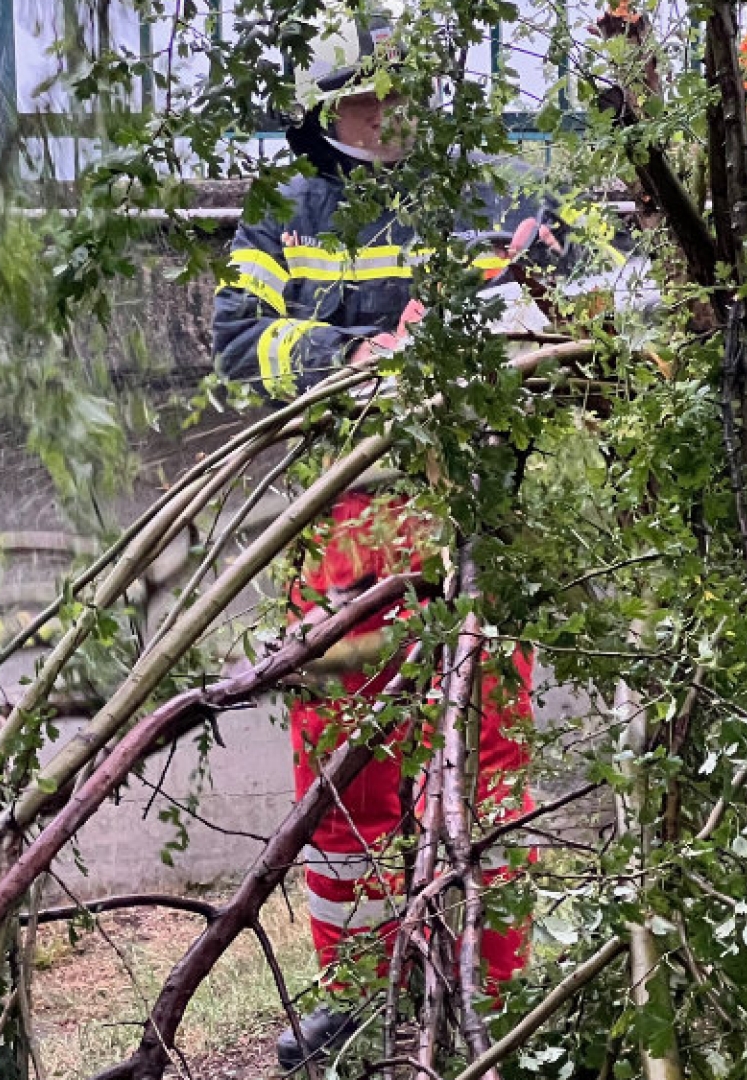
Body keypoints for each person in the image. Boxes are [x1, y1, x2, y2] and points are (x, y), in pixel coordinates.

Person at [209, 7, 552, 1070]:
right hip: (344, 525)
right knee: (345, 771)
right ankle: (357, 999)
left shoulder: (485, 190)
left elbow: (546, 296)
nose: (397, 103)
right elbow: (238, 344)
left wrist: (518, 295)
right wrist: (357, 358)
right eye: (379, 86)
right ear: (337, 94)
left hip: (473, 519)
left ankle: (492, 997)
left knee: (487, 759)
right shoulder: (284, 210)